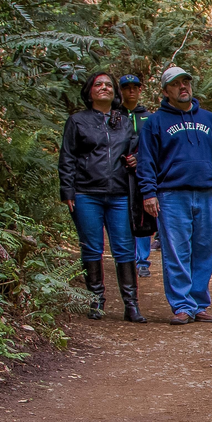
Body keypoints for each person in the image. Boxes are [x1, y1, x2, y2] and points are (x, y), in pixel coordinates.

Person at [136, 66, 212, 325]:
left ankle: (199, 303)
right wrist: (149, 193)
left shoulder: (209, 120)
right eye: (176, 84)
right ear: (165, 91)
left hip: (205, 193)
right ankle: (182, 305)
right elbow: (146, 161)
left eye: (186, 82)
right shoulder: (155, 123)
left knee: (205, 249)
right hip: (171, 195)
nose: (183, 87)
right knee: (177, 251)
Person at [58, 73, 146, 323]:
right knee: (92, 247)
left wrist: (135, 160)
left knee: (124, 248)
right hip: (86, 193)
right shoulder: (77, 121)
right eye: (99, 84)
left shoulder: (124, 121)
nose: (104, 88)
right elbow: (67, 157)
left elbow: (135, 149)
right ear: (89, 92)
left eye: (109, 85)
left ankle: (132, 305)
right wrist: (67, 190)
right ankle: (95, 301)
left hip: (119, 193)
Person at [119, 74, 155, 277]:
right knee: (123, 214)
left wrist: (140, 158)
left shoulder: (149, 118)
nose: (131, 91)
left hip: (143, 175)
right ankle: (127, 258)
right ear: (121, 91)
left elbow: (156, 146)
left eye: (135, 87)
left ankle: (143, 261)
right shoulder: (114, 115)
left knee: (143, 216)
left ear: (140, 90)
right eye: (126, 87)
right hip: (119, 175)